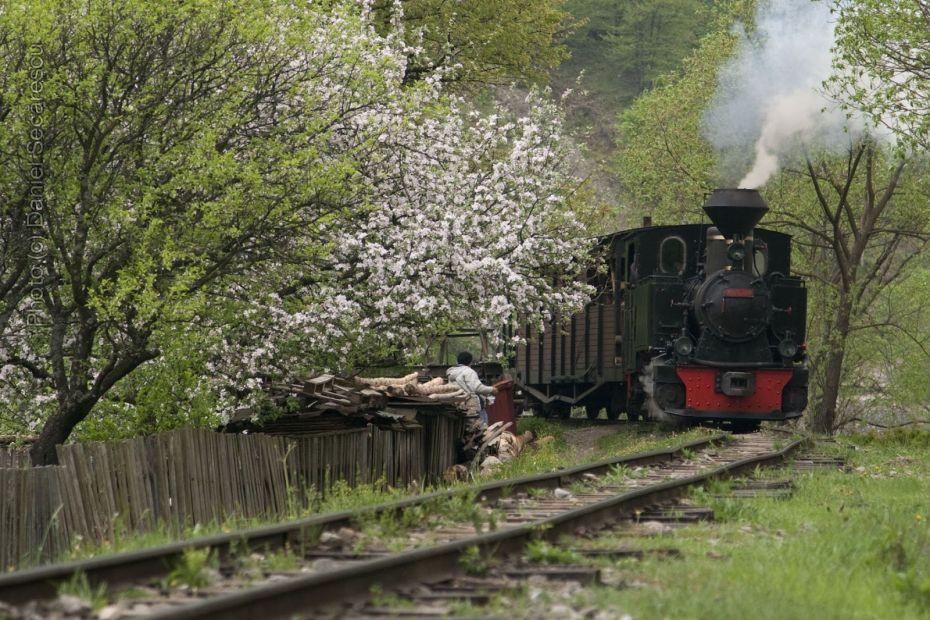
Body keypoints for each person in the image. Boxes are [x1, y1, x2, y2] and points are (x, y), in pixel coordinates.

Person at [447, 351, 498, 427]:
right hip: (471, 406)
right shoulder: (469, 372)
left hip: (458, 405)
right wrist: (492, 389)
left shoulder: (452, 372)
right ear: (470, 361)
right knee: (479, 428)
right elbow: (477, 387)